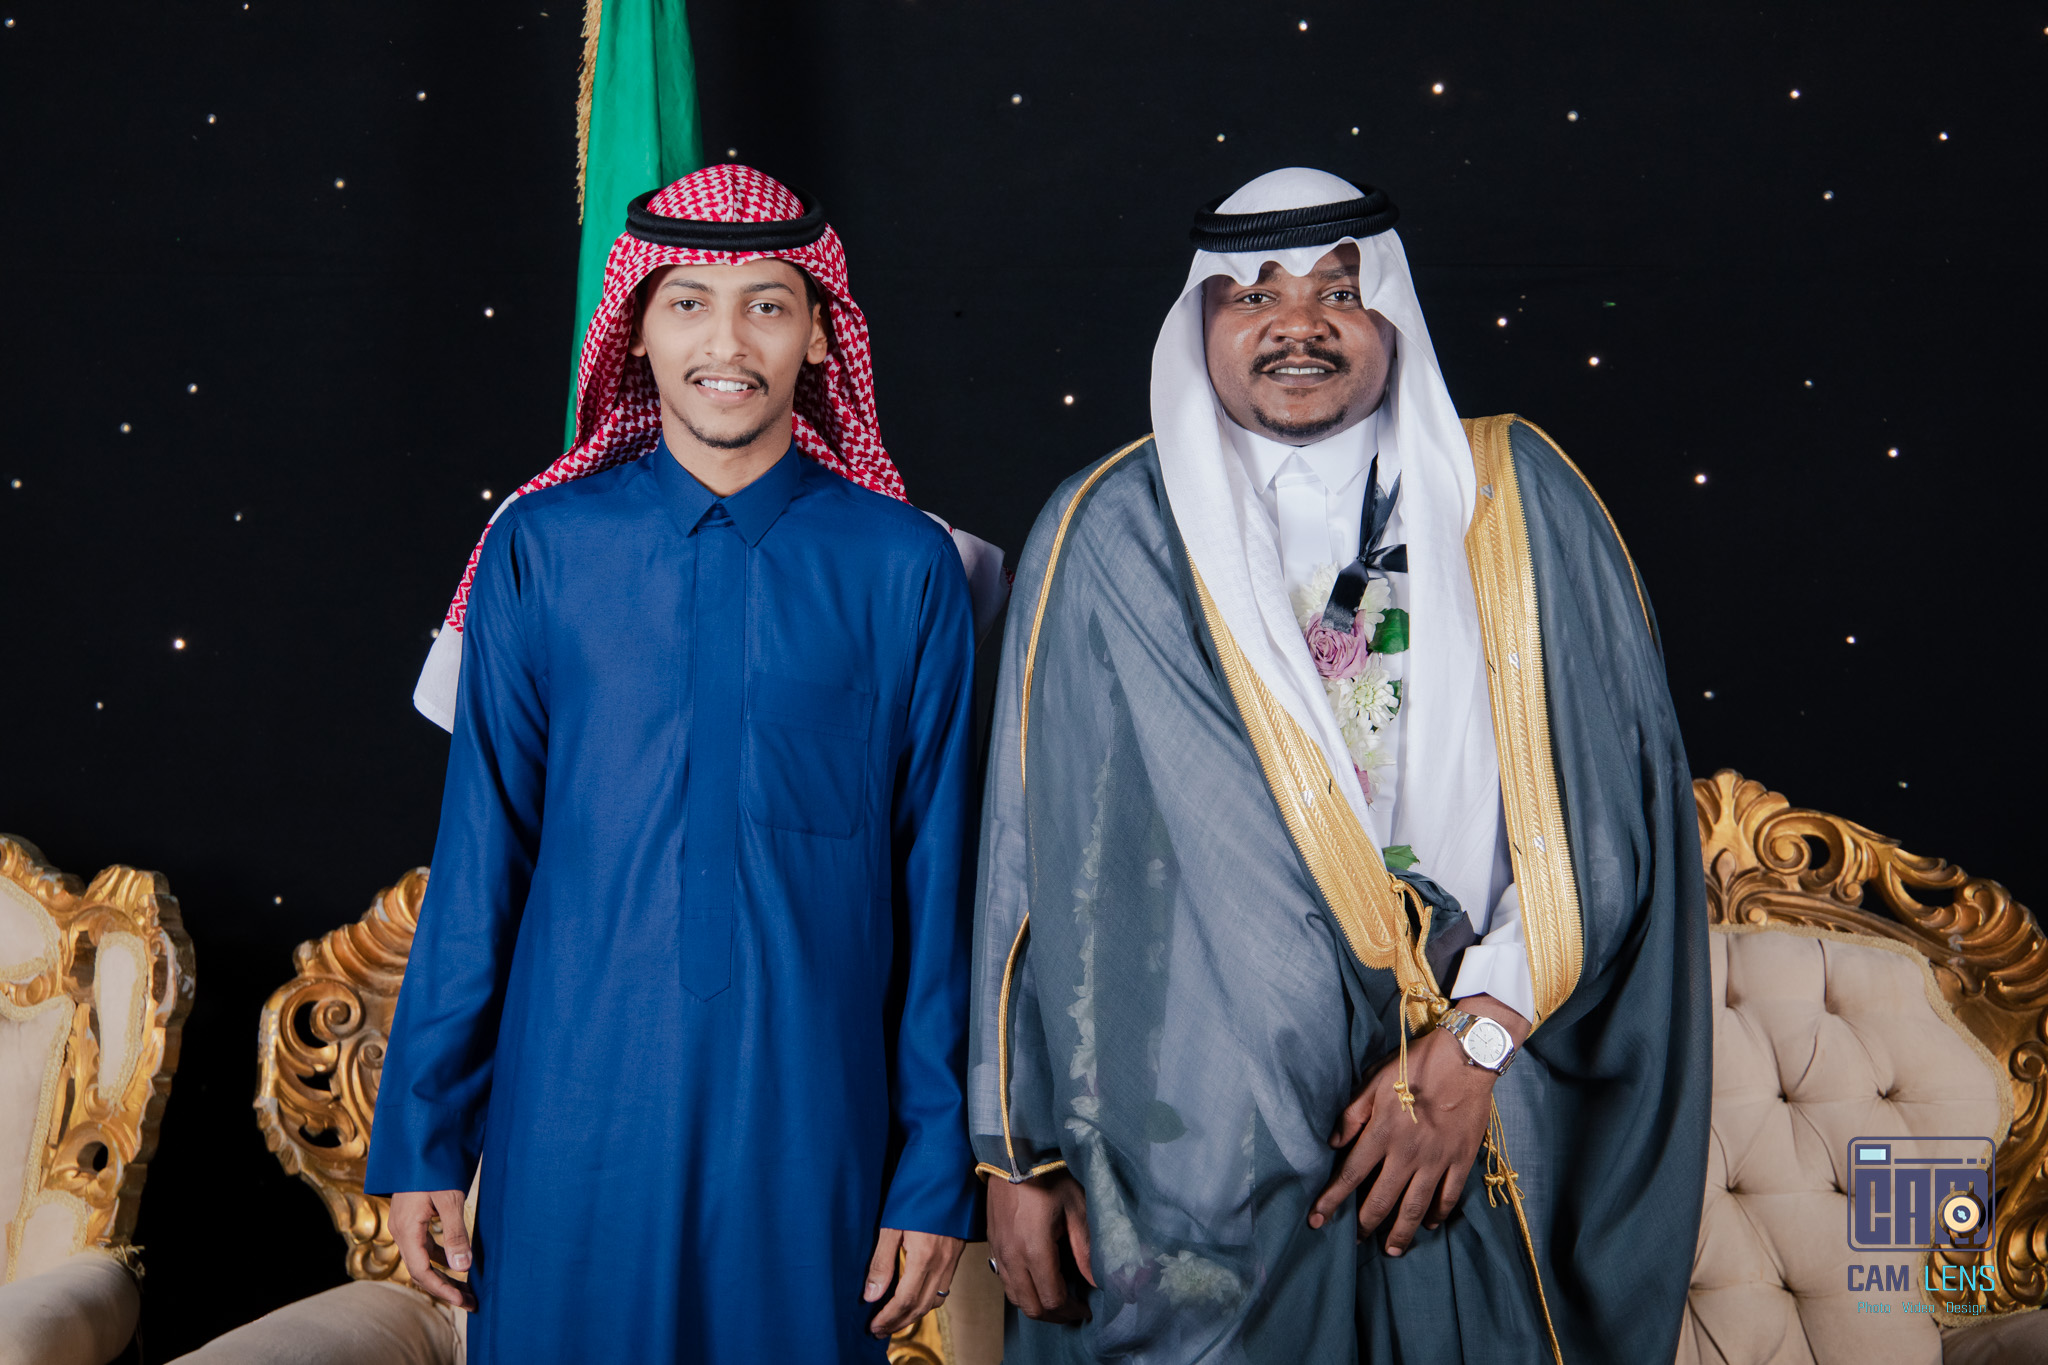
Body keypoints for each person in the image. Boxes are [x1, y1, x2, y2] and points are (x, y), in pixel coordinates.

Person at [970, 168, 1709, 1363]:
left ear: (1390, 315)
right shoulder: (1108, 530)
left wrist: (1474, 1045)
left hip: (1478, 1089)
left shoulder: (1515, 499)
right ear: (1201, 321)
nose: (1296, 323)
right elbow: (1026, 857)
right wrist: (1019, 1154)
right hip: (1200, 1131)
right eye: (1254, 294)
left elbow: (1608, 815)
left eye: (1337, 291)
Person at [366, 165, 989, 1363]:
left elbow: (937, 888)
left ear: (819, 338)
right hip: (571, 1122)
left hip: (810, 1128)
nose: (727, 343)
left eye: (767, 306)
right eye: (688, 303)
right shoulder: (539, 550)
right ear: (636, 332)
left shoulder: (906, 567)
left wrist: (931, 1168)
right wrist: (425, 1136)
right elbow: (482, 858)